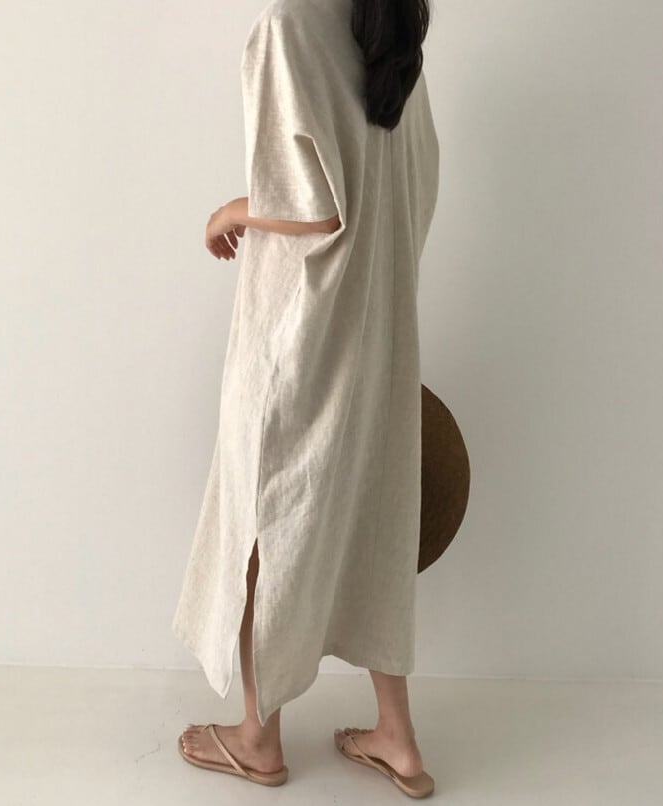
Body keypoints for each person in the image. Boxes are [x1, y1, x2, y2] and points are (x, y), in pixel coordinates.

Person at [172, 0, 439, 796]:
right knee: (374, 516)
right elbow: (417, 181)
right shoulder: (389, 25)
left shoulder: (287, 27)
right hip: (380, 325)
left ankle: (257, 738)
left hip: (301, 331)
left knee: (266, 516)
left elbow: (311, 203)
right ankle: (397, 737)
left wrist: (232, 210)